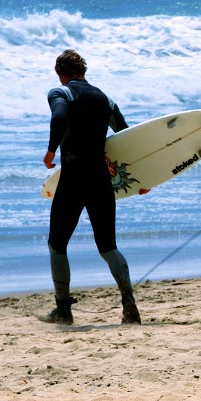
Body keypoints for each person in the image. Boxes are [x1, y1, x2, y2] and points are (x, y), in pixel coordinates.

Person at [40, 49, 140, 325]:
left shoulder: (61, 93)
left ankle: (63, 310)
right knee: (108, 245)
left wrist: (50, 151)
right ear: (84, 71)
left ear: (60, 74)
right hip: (100, 179)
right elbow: (126, 135)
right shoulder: (105, 99)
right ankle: (128, 301)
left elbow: (59, 118)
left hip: (73, 178)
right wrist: (141, 178)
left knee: (57, 244)